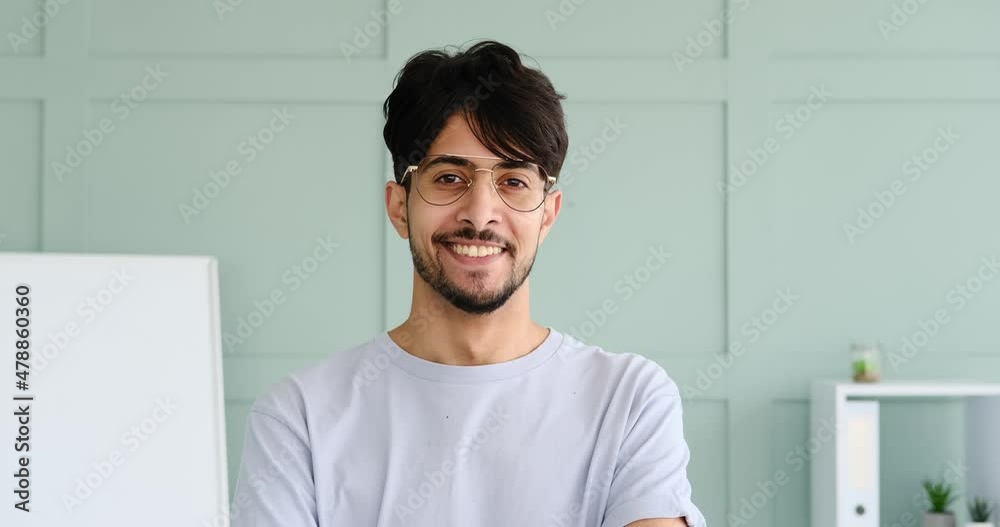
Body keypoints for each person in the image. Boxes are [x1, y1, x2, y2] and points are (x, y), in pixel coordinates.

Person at [230, 40, 706, 527]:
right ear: (399, 207)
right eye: (449, 178)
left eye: (514, 181)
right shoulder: (299, 418)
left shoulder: (628, 400)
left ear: (547, 215)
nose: (480, 214)